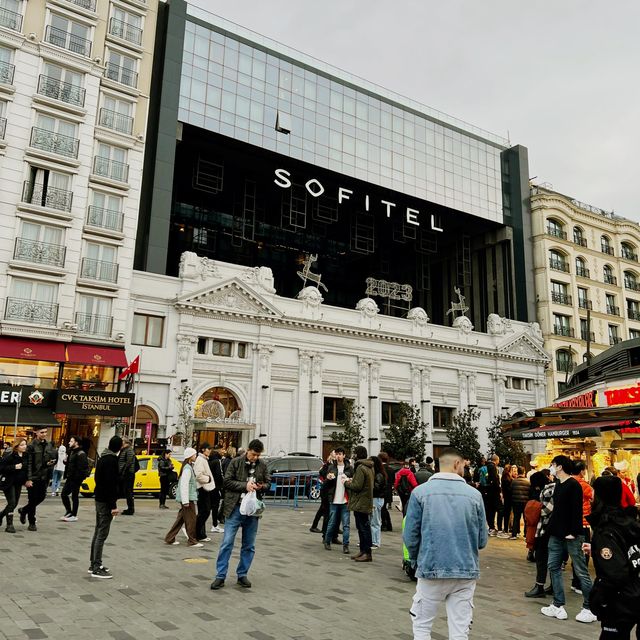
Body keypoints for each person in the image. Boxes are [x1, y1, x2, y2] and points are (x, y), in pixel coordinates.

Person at [404, 447, 488, 640]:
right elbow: (482, 540)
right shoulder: (474, 495)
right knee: (460, 629)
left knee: (422, 625)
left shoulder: (420, 493)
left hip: (431, 567)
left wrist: (417, 559)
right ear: (457, 464)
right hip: (465, 570)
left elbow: (410, 536)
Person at [542, 455, 596, 623]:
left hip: (572, 535)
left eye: (553, 465)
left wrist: (573, 531)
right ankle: (558, 604)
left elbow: (576, 510)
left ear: (559, 467)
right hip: (557, 534)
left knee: (580, 570)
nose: (551, 467)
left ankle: (589, 607)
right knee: (553, 567)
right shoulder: (558, 485)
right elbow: (558, 511)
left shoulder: (573, 485)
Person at [586, 475, 640, 639]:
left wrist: (599, 598)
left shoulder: (606, 529)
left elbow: (615, 573)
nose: (591, 496)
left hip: (620, 601)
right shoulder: (628, 521)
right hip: (635, 592)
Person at [211, 439, 270, 590]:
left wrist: (260, 486)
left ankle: (242, 574)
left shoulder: (262, 465)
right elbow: (227, 482)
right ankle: (220, 576)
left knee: (249, 545)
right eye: (253, 454)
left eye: (258, 455)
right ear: (248, 451)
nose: (255, 457)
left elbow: (268, 483)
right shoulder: (236, 462)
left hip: (252, 511)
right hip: (235, 508)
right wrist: (245, 486)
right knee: (227, 543)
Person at [89, 436, 123, 578]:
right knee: (102, 533)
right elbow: (111, 484)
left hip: (99, 498)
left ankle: (94, 563)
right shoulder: (112, 461)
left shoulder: (103, 458)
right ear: (119, 447)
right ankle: (96, 566)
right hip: (106, 501)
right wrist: (113, 505)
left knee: (98, 531)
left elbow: (99, 479)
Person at [19, 428, 57, 531]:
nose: (44, 434)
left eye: (45, 432)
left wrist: (51, 462)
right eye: (42, 432)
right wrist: (28, 479)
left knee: (41, 497)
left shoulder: (49, 445)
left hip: (44, 476)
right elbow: (29, 464)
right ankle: (32, 522)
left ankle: (24, 510)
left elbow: (52, 458)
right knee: (32, 498)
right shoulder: (31, 446)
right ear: (36, 433)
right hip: (34, 476)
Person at [164, 447, 202, 547]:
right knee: (191, 519)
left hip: (187, 497)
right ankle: (192, 540)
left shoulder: (187, 467)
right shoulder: (187, 469)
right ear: (190, 456)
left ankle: (170, 538)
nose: (196, 456)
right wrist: (185, 501)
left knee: (181, 519)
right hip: (187, 498)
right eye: (194, 454)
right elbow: (184, 485)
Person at [343, 446, 374, 562]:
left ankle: (367, 552)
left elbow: (357, 486)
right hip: (365, 501)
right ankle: (363, 551)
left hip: (361, 502)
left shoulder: (361, 467)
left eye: (355, 453)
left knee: (363, 528)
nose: (353, 455)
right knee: (363, 527)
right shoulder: (369, 466)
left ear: (358, 454)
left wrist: (346, 483)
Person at [323, 447, 353, 554]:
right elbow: (326, 483)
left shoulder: (349, 468)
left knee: (346, 525)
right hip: (334, 500)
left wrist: (350, 480)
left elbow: (352, 483)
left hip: (345, 500)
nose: (338, 456)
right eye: (337, 454)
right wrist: (328, 478)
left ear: (344, 455)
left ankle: (346, 545)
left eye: (340, 454)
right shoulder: (332, 467)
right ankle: (327, 541)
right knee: (332, 523)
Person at [570, 460, 594, 595]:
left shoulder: (566, 483)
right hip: (583, 522)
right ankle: (580, 584)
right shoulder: (583, 485)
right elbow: (594, 498)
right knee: (583, 554)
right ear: (582, 471)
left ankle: (575, 581)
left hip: (571, 523)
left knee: (574, 553)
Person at [0, 439, 28, 533]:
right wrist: (14, 467)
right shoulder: (10, 456)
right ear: (17, 447)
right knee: (12, 503)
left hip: (18, 483)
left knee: (14, 504)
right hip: (9, 483)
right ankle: (9, 525)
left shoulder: (25, 456)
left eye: (25, 444)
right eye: (22, 445)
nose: (24, 446)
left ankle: (0, 516)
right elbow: (1, 468)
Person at [60, 436, 89, 522]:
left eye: (71, 441)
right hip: (70, 477)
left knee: (74, 496)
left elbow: (83, 468)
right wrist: (65, 461)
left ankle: (74, 514)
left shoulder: (81, 454)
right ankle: (69, 511)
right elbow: (70, 464)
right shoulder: (72, 452)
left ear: (76, 443)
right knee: (64, 494)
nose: (69, 442)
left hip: (76, 479)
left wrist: (78, 478)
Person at [194, 442, 215, 542]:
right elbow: (198, 475)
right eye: (208, 449)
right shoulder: (200, 460)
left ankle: (201, 534)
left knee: (204, 511)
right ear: (203, 449)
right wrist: (208, 479)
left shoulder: (203, 459)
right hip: (202, 488)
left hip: (205, 488)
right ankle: (197, 532)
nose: (210, 451)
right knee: (205, 511)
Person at [310, 450, 334, 535]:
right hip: (325, 490)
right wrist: (327, 464)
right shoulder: (328, 465)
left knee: (323, 509)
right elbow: (323, 473)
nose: (336, 455)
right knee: (324, 510)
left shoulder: (334, 464)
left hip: (328, 490)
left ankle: (314, 526)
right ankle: (315, 526)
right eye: (335, 453)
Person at [370, 454, 386, 549]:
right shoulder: (379, 474)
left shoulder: (378, 475)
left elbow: (377, 487)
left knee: (375, 521)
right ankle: (373, 540)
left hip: (376, 498)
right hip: (376, 498)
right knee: (373, 520)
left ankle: (375, 542)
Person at [510, 466, 530, 540]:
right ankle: (526, 534)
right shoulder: (528, 482)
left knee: (516, 518)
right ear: (524, 472)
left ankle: (515, 534)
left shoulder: (514, 481)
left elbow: (511, 491)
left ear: (518, 472)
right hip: (525, 502)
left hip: (516, 502)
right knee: (525, 519)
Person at [117, 437, 136, 515]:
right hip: (124, 473)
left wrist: (123, 472)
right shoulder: (123, 450)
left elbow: (128, 462)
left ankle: (131, 509)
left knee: (128, 491)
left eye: (122, 442)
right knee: (123, 491)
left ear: (126, 443)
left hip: (128, 474)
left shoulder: (129, 450)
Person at [208, 448, 224, 533]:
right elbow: (219, 474)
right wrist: (221, 486)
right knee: (215, 506)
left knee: (208, 507)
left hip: (209, 485)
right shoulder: (217, 461)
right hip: (216, 486)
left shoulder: (208, 461)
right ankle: (214, 525)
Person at [378, 451, 395, 531]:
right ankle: (389, 524)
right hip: (388, 491)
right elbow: (393, 481)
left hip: (381, 491)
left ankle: (385, 524)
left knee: (382, 508)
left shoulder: (380, 469)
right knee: (384, 508)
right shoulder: (391, 469)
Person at [497, 464, 513, 538]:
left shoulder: (504, 477)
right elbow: (509, 489)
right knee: (506, 514)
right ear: (509, 470)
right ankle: (505, 529)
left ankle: (504, 529)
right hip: (508, 498)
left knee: (505, 514)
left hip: (506, 497)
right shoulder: (507, 478)